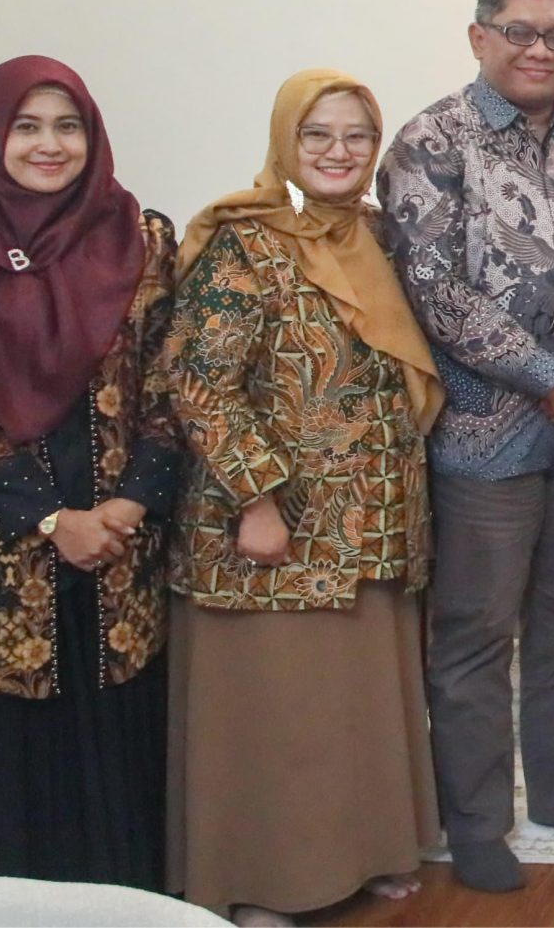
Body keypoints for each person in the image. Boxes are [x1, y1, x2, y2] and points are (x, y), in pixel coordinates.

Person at [380, 0, 554, 892]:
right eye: (521, 31)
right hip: (483, 436)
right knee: (475, 636)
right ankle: (478, 821)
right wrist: (549, 378)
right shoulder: (430, 141)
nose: (540, 49)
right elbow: (435, 291)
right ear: (480, 36)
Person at [164, 71, 445, 925]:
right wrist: (256, 500)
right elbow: (199, 382)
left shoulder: (379, 235)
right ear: (286, 140)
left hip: (371, 517)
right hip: (277, 526)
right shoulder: (243, 244)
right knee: (281, 712)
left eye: (357, 135)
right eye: (317, 133)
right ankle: (263, 880)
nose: (338, 151)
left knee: (358, 704)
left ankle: (370, 851)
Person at [0, 57, 180, 889]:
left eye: (68, 126)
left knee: (119, 726)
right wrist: (56, 520)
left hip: (124, 537)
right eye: (26, 126)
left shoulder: (144, 237)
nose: (48, 144)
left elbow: (168, 384)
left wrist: (129, 504)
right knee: (12, 741)